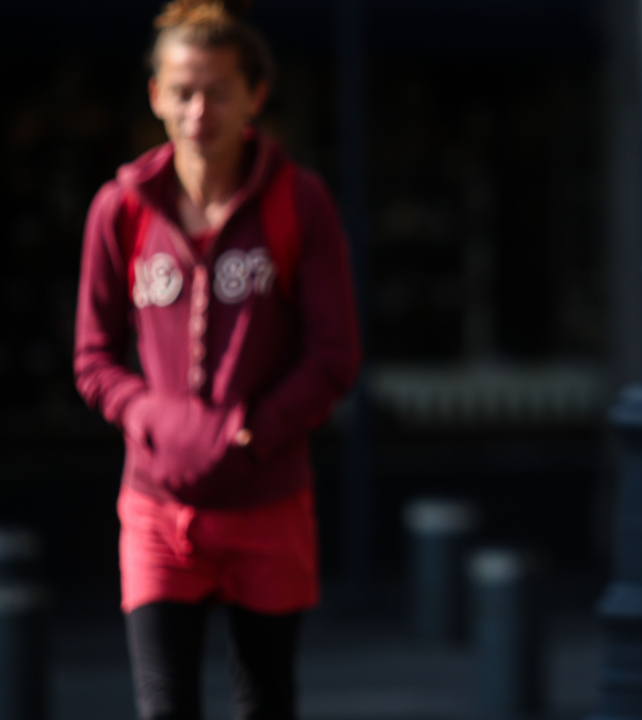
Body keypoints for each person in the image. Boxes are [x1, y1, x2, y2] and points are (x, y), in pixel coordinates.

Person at [73, 1, 361, 717]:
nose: (199, 109)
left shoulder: (301, 202)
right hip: (157, 507)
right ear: (156, 97)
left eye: (218, 89)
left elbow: (335, 354)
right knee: (163, 704)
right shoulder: (122, 208)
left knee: (265, 697)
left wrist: (255, 431)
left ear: (254, 95)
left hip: (269, 503)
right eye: (182, 90)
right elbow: (93, 357)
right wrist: (156, 419)